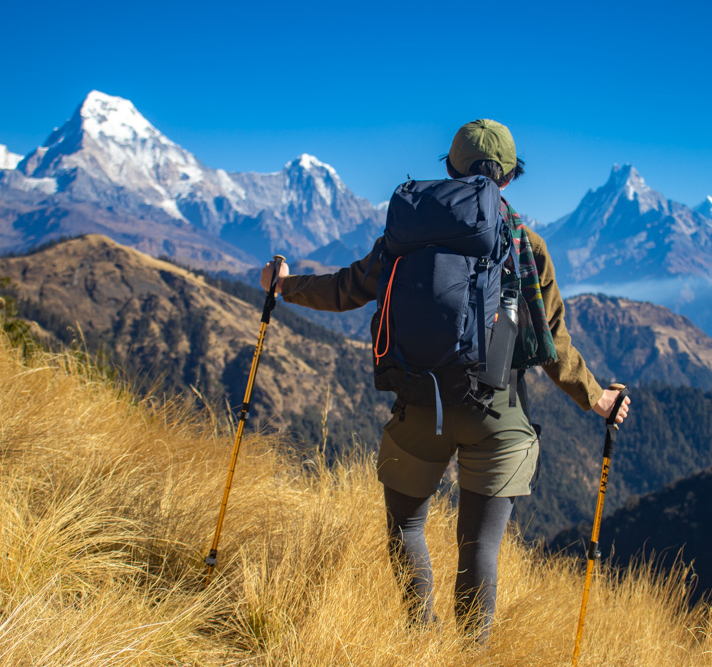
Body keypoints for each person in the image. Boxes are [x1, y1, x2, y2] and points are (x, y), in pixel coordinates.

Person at [261, 119, 630, 642]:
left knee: (407, 527)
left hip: (420, 402)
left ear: (451, 170)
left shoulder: (406, 236)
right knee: (479, 547)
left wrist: (285, 286)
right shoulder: (525, 244)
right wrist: (598, 398)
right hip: (497, 411)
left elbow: (347, 288)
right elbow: (554, 344)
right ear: (509, 177)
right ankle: (468, 653)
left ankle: (420, 635)